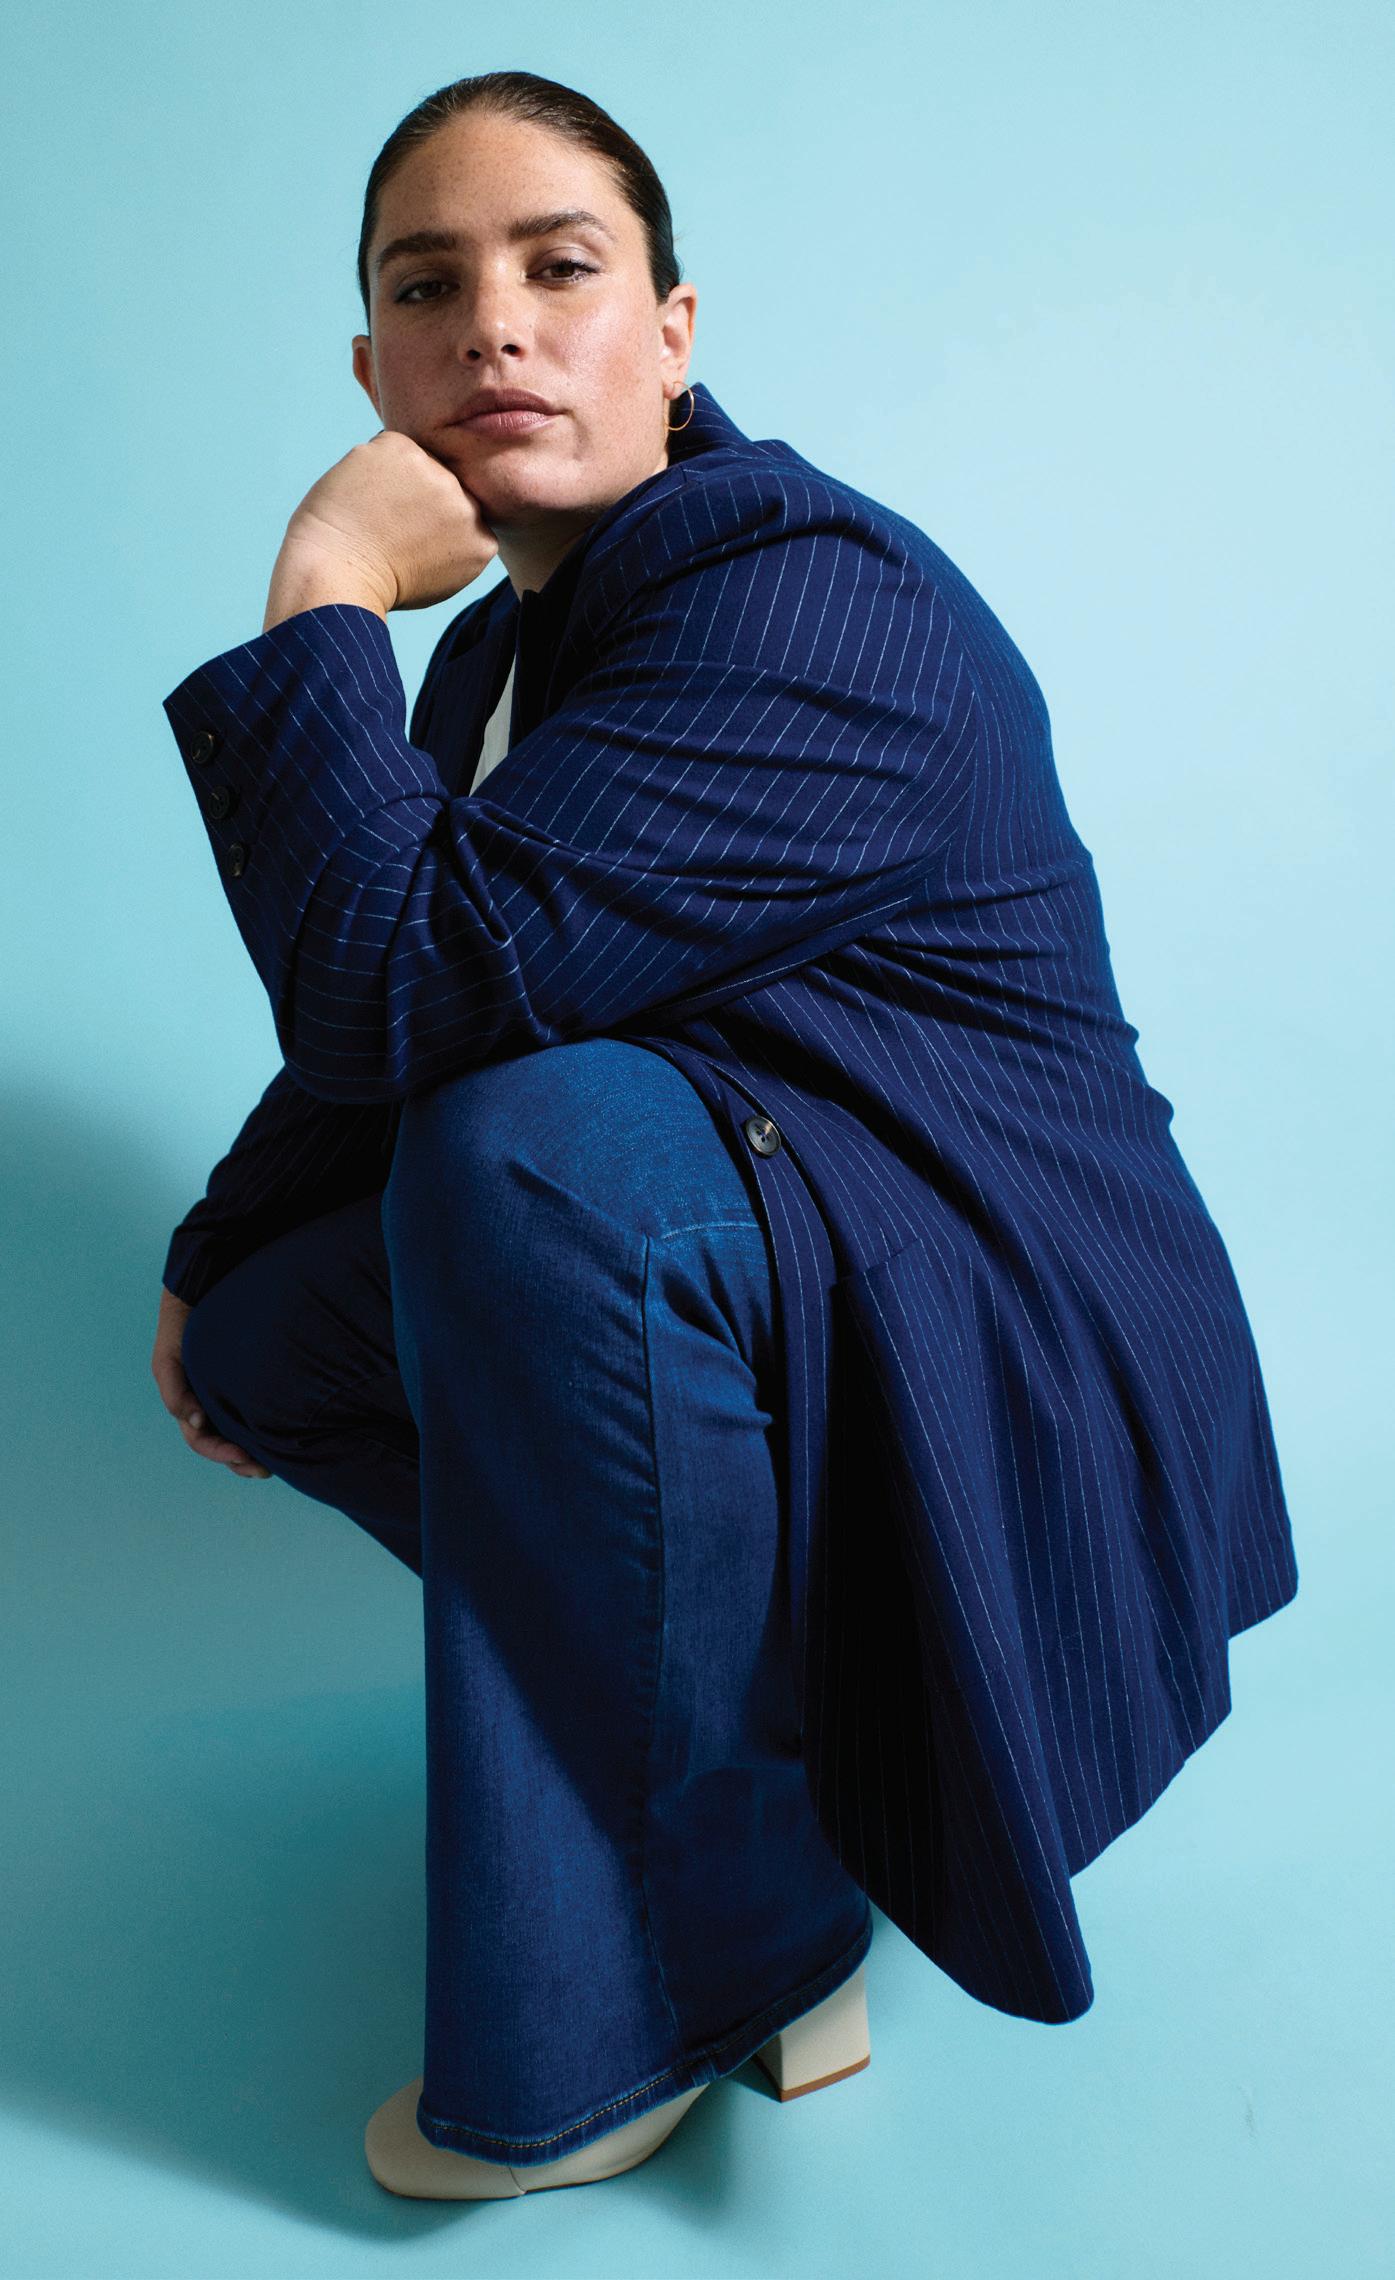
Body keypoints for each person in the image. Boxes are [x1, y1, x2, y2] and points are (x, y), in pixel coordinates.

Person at [150, 70, 1299, 2198]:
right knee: (279, 1332)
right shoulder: (498, 659)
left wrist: (321, 582)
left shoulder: (802, 592)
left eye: (561, 268)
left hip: (995, 1312)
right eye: (430, 287)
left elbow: (411, 980)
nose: (497, 325)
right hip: (783, 1238)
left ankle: (681, 1987)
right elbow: (408, 995)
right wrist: (213, 1253)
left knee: (533, 1155)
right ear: (374, 370)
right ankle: (753, 1791)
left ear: (670, 333)